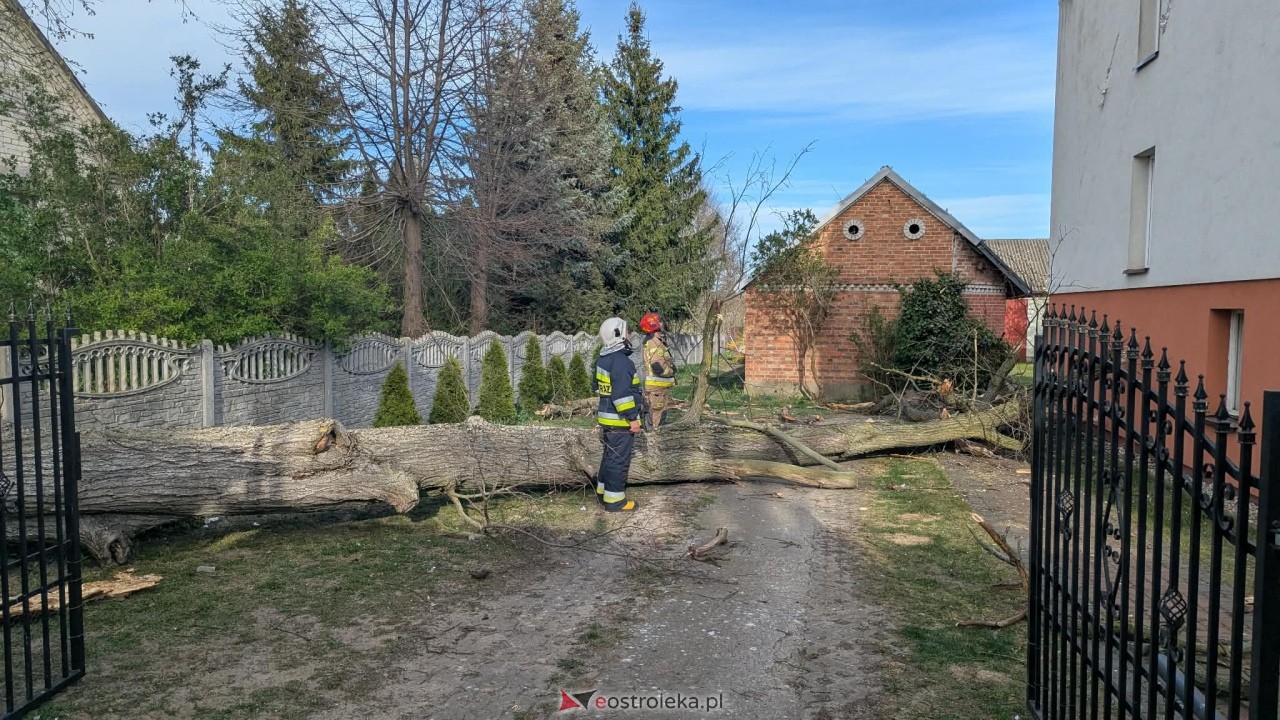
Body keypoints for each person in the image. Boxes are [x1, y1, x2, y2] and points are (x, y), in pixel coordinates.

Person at [593, 317, 642, 512]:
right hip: (620, 421)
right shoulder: (622, 362)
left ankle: (603, 492)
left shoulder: (603, 359)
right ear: (618, 334)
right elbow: (621, 395)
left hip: (607, 419)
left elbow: (598, 387)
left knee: (608, 458)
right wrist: (632, 418)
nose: (629, 334)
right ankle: (615, 502)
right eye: (627, 331)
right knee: (618, 461)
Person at [638, 312, 677, 429]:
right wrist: (671, 371)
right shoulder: (654, 343)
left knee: (658, 415)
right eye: (659, 321)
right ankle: (652, 442)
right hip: (657, 388)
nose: (662, 323)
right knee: (655, 417)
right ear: (653, 325)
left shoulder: (656, 341)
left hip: (659, 388)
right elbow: (657, 367)